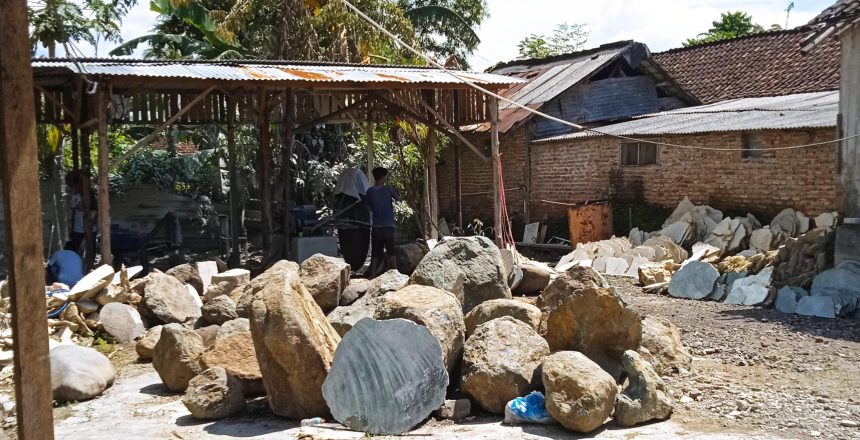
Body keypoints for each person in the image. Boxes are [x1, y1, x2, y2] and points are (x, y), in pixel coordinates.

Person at [364, 167, 400, 278]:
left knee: (375, 254)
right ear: (383, 177)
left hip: (376, 227)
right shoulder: (388, 189)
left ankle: (373, 276)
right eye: (386, 176)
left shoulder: (369, 191)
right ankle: (395, 276)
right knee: (391, 252)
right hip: (388, 226)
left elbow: (368, 208)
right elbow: (399, 198)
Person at [64, 171, 96, 254]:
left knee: (91, 248)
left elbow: (94, 210)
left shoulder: (92, 195)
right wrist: (72, 226)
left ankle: (89, 264)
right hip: (78, 227)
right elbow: (77, 210)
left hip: (92, 226)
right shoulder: (75, 196)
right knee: (74, 247)